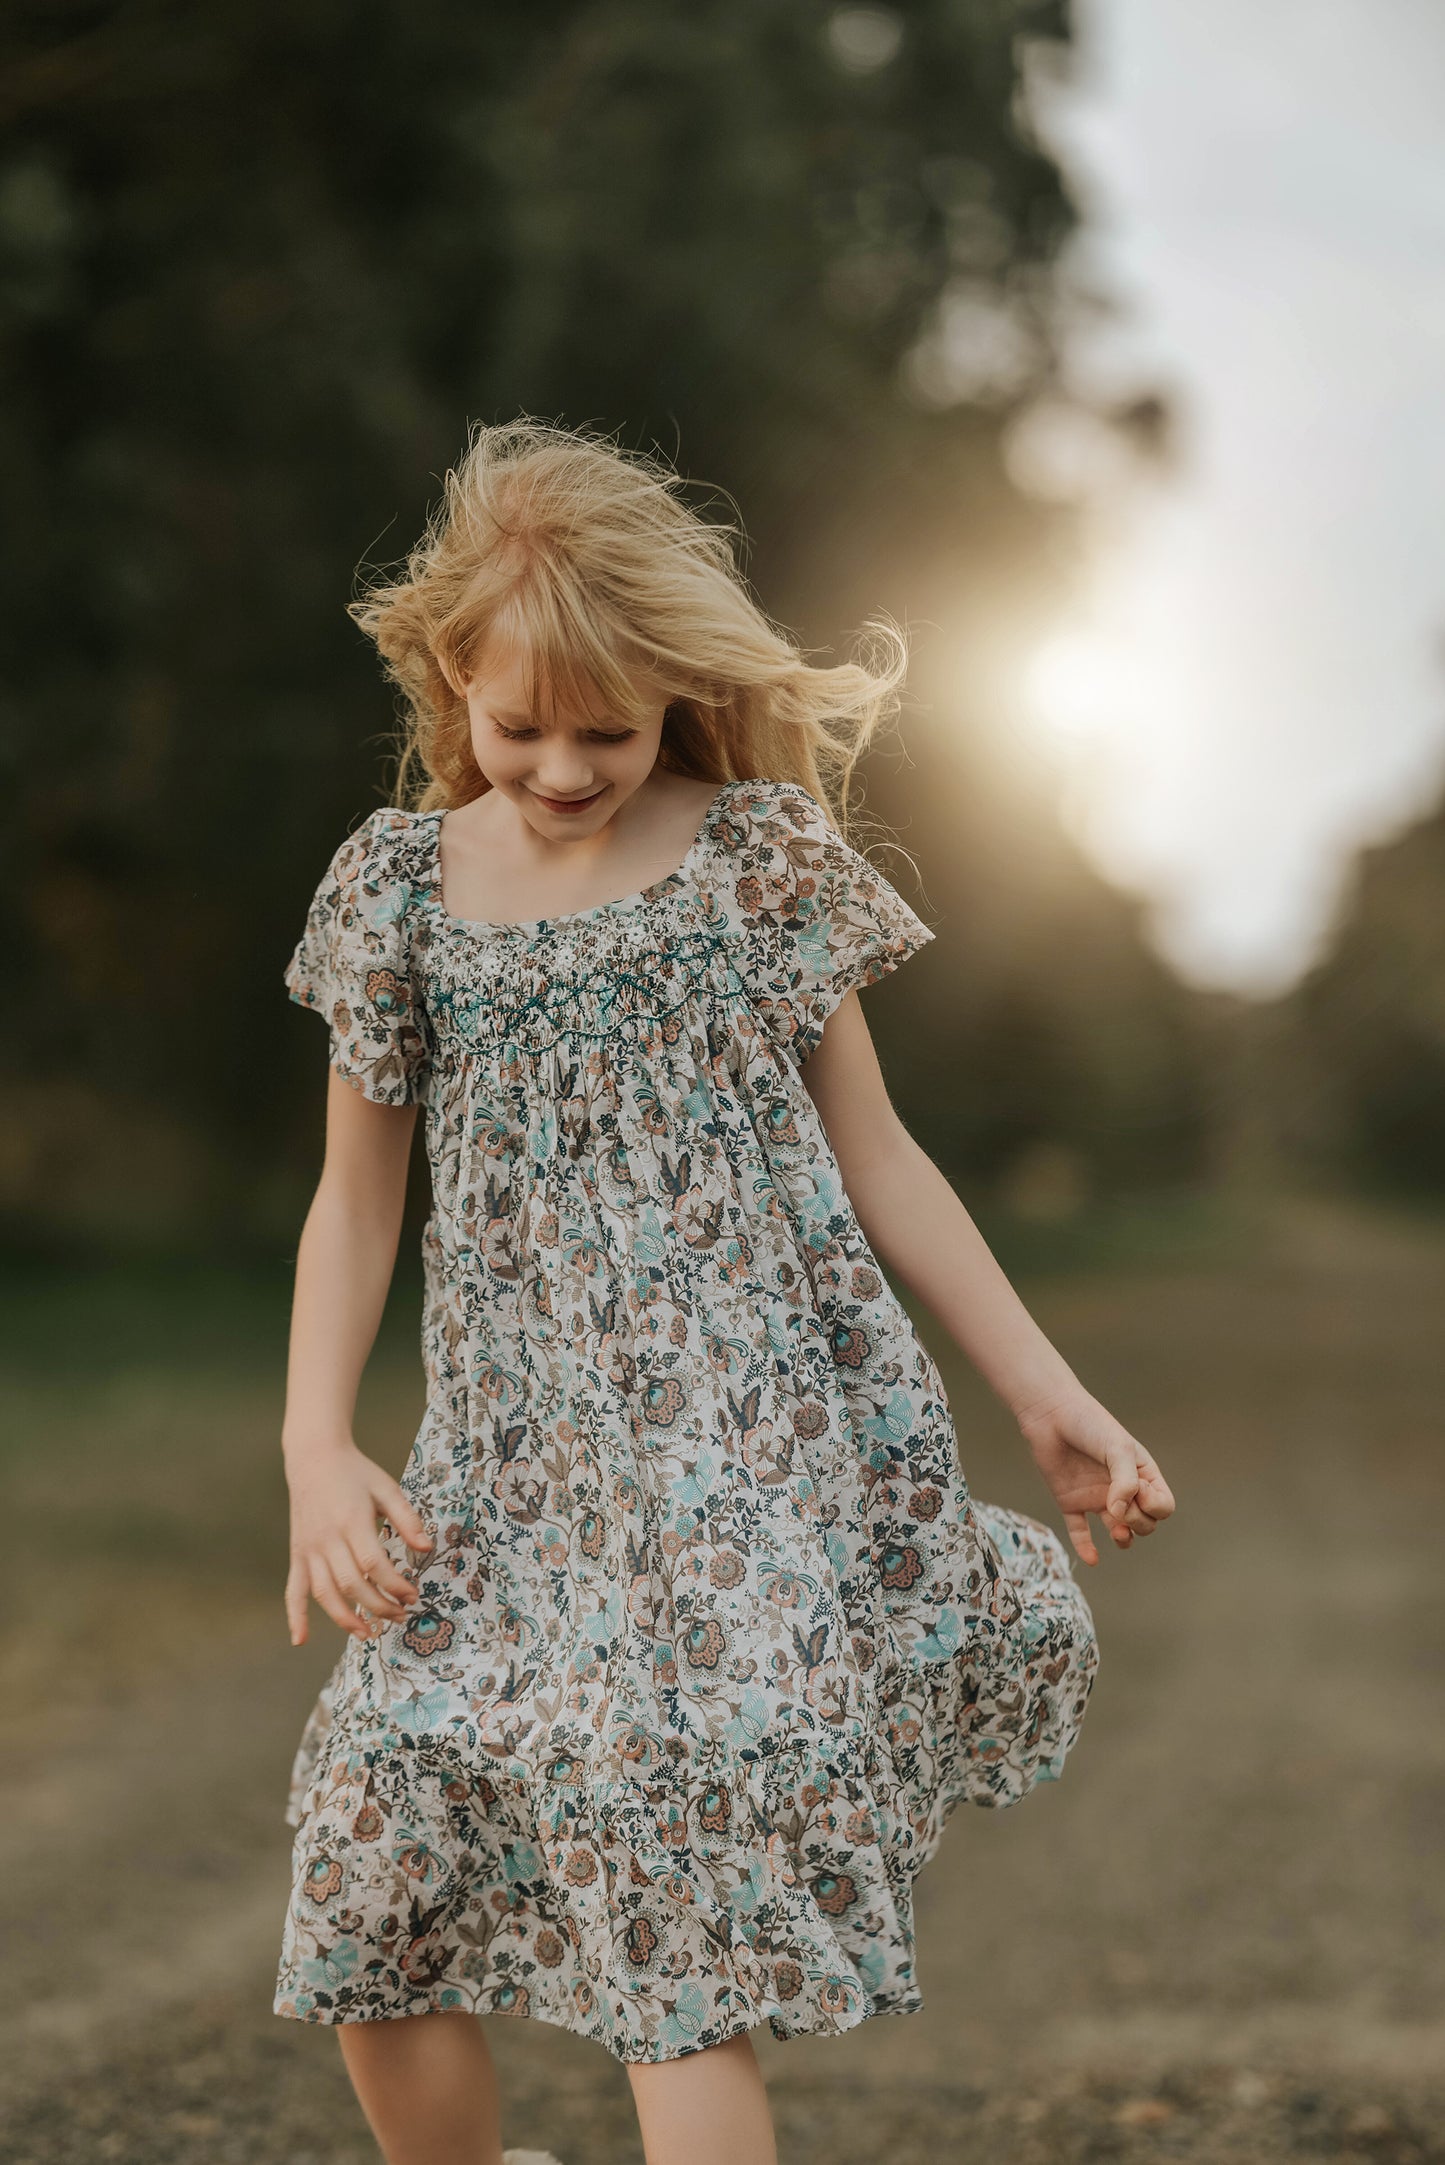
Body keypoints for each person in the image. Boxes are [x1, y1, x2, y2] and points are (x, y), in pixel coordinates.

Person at [274, 419, 1175, 2165]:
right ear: (455, 674)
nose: (555, 766)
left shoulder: (754, 862)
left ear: (671, 694)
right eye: (517, 724)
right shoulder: (396, 896)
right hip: (507, 1486)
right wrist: (317, 1443)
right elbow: (353, 1202)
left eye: (602, 731)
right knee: (372, 1882)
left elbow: (882, 1156)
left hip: (734, 1496)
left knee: (671, 1927)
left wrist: (1045, 1392)